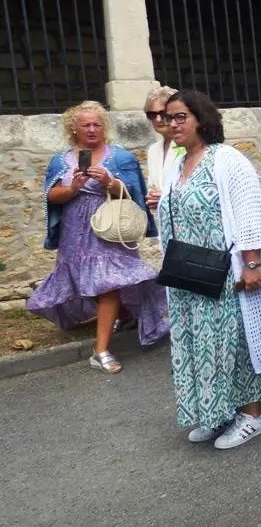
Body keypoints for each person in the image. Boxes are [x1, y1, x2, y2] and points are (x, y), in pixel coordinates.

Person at [155, 90, 261, 450]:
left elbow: (249, 213)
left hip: (225, 274)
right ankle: (220, 410)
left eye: (181, 117)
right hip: (187, 275)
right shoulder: (177, 163)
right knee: (203, 346)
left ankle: (253, 414)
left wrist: (253, 263)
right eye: (168, 117)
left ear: (201, 119)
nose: (172, 124)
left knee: (234, 343)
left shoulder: (227, 160)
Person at [27, 101, 169, 373]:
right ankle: (123, 314)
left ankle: (100, 350)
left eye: (97, 124)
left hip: (109, 230)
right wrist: (73, 188)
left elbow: (133, 194)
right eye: (86, 125)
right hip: (74, 232)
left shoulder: (120, 158)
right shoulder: (61, 160)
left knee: (109, 284)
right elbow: (51, 195)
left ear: (104, 127)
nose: (92, 130)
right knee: (83, 282)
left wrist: (108, 182)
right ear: (74, 129)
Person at [144, 86, 181, 208]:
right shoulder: (153, 150)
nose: (158, 119)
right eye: (152, 114)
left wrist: (166, 197)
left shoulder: (189, 145)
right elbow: (152, 187)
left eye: (163, 113)